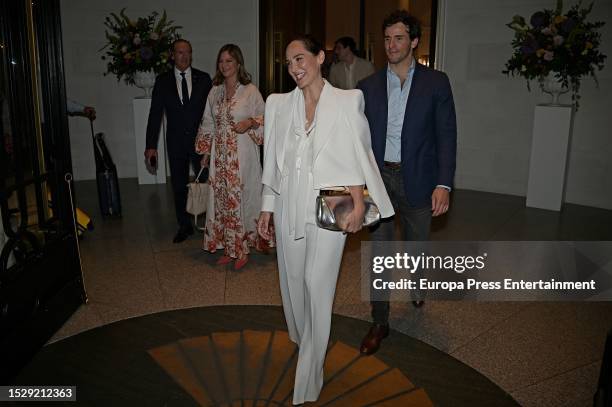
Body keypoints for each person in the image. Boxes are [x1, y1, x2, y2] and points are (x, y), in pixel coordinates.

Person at [257, 35, 393, 405]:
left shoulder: (348, 101)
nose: (294, 68)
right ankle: (308, 342)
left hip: (329, 210)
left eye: (300, 59)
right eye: (288, 63)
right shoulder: (277, 105)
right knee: (294, 286)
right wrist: (266, 208)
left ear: (320, 58)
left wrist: (358, 203)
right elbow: (272, 163)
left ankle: (308, 378)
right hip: (289, 206)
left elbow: (357, 154)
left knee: (318, 289)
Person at [357, 10, 457, 355]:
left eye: (399, 38)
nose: (391, 45)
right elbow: (354, 139)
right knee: (379, 256)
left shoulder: (436, 82)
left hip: (420, 179)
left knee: (416, 248)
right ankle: (380, 320)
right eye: (386, 38)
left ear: (414, 41)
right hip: (379, 178)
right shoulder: (366, 87)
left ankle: (417, 284)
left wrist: (443, 183)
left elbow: (446, 135)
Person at [196, 44, 268, 270]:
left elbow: (267, 118)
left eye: (229, 61)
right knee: (222, 201)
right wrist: (206, 152)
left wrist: (250, 122)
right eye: (221, 61)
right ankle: (229, 247)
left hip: (243, 157)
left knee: (242, 199)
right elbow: (208, 122)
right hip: (220, 158)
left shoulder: (250, 91)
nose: (225, 65)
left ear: (238, 63)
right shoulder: (215, 91)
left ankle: (243, 248)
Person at [145, 39, 212, 243]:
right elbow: (155, 114)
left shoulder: (204, 79)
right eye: (180, 52)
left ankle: (210, 222)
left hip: (200, 142)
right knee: (179, 185)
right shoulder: (163, 81)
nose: (184, 56)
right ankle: (184, 225)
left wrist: (214, 141)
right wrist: (150, 146)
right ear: (172, 55)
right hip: (175, 142)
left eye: (188, 52)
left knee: (206, 181)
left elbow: (212, 113)